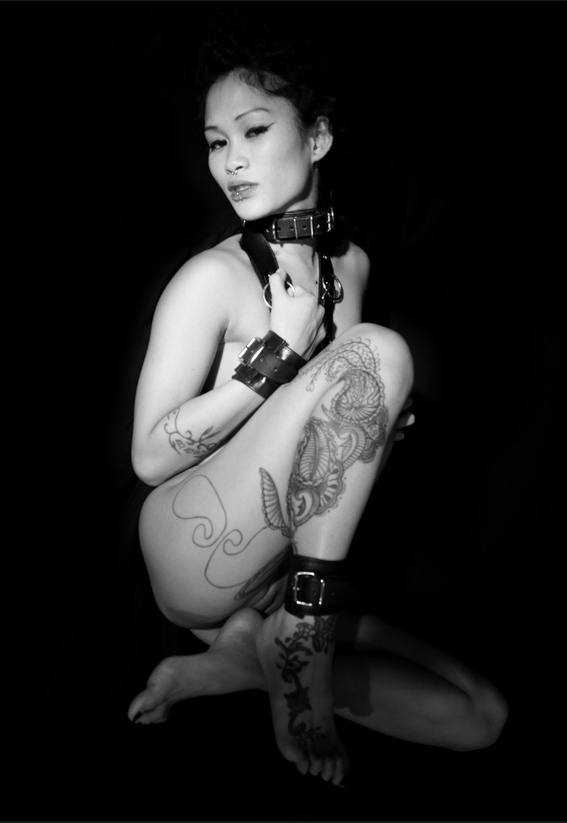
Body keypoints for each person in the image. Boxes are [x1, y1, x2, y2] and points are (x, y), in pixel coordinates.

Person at [126, 22, 508, 788]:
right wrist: (276, 356)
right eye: (215, 142)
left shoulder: (352, 266)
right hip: (190, 548)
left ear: (319, 137)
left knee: (477, 714)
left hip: (269, 579)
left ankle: (246, 658)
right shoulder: (212, 278)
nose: (230, 160)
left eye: (253, 131)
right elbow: (149, 458)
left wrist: (377, 419)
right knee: (379, 352)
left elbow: (324, 449)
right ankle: (302, 637)